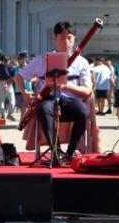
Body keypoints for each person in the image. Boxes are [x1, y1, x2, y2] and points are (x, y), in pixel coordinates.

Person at [15, 21, 93, 165]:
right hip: (47, 100)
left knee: (83, 112)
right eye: (62, 37)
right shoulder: (41, 59)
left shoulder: (82, 62)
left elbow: (87, 91)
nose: (66, 41)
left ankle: (70, 153)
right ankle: (55, 151)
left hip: (70, 101)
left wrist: (67, 86)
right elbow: (19, 77)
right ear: (54, 39)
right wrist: (26, 94)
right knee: (43, 109)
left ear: (74, 39)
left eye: (69, 37)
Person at [0, 55, 17, 120]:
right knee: (12, 100)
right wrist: (7, 84)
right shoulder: (11, 67)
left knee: (2, 100)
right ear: (8, 60)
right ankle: (10, 114)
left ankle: (2, 115)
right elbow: (13, 77)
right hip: (9, 82)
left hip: (1, 82)